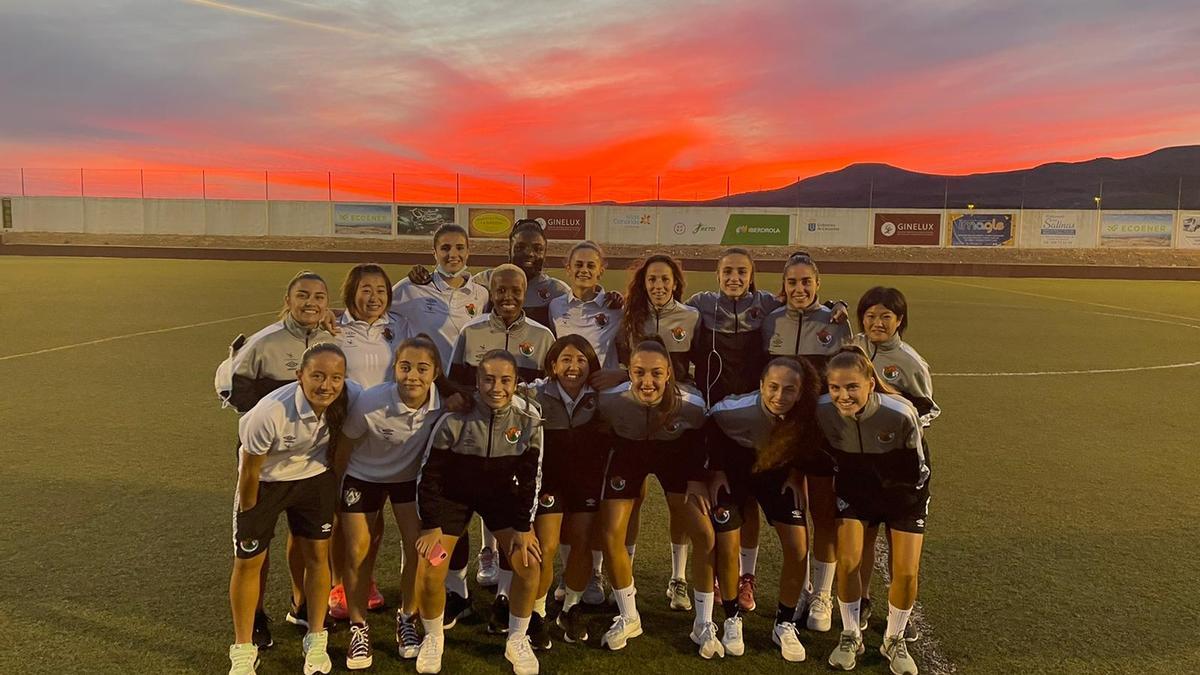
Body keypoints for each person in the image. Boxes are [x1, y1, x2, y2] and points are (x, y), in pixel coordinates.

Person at [223, 271, 338, 649]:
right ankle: (255, 616)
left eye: (319, 297)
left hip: (310, 464)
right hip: (268, 458)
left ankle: (301, 603)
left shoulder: (331, 337)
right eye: (303, 296)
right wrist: (274, 417)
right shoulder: (264, 342)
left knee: (305, 539)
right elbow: (232, 388)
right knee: (260, 544)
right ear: (287, 301)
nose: (311, 303)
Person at [412, 350, 545, 675]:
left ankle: (517, 638)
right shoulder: (455, 417)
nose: (496, 387)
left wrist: (524, 527)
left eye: (505, 380)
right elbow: (429, 475)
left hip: (500, 499)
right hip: (452, 501)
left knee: (528, 564)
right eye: (488, 379)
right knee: (431, 567)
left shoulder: (529, 417)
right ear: (477, 381)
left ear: (516, 382)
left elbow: (532, 475)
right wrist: (430, 526)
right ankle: (433, 639)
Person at [227, 343, 352, 675]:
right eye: (317, 376)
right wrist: (250, 514)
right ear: (300, 376)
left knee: (317, 556)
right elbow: (250, 471)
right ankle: (242, 648)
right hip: (265, 482)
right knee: (247, 561)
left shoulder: (344, 400)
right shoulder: (269, 413)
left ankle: (316, 637)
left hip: (314, 480)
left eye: (335, 377)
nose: (326, 385)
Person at [443, 263, 555, 630]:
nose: (508, 298)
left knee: (513, 517)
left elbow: (549, 390)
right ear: (491, 292)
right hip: (472, 444)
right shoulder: (471, 332)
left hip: (516, 444)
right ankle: (456, 595)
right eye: (500, 291)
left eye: (515, 291)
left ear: (526, 292)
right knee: (456, 519)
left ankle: (505, 598)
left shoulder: (541, 336)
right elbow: (455, 385)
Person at [593, 339, 718, 658]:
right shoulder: (608, 400)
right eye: (638, 372)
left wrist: (698, 476)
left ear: (669, 375)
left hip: (674, 456)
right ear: (628, 372)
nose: (647, 381)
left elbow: (706, 437)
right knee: (610, 534)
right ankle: (629, 615)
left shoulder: (691, 403)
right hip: (627, 453)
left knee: (704, 534)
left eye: (656, 373)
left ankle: (703, 623)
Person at [817, 346, 929, 675]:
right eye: (835, 387)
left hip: (903, 490)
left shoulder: (900, 412)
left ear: (870, 382)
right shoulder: (822, 410)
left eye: (852, 387)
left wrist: (898, 497)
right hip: (856, 488)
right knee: (849, 562)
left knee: (906, 571)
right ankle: (851, 634)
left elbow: (918, 467)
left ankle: (894, 639)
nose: (843, 395)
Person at [335, 336, 444, 669]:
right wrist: (332, 493)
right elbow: (343, 448)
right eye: (405, 367)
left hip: (407, 480)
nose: (412, 376)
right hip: (361, 476)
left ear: (435, 372)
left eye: (422, 368)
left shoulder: (442, 404)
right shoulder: (371, 401)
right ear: (394, 368)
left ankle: (407, 618)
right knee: (357, 550)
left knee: (418, 548)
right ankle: (358, 625)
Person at [706, 357, 823, 662]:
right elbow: (710, 423)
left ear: (800, 392)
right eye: (772, 387)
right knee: (728, 542)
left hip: (776, 476)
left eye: (789, 389)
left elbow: (807, 446)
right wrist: (717, 470)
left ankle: (784, 623)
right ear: (760, 386)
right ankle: (732, 617)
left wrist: (797, 475)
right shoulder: (733, 410)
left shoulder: (807, 415)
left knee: (798, 547)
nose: (779, 396)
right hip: (735, 473)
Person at [761, 252, 852, 632]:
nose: (799, 289)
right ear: (783, 287)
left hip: (823, 436)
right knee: (793, 513)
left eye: (806, 282)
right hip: (784, 433)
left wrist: (837, 307)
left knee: (823, 513)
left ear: (818, 284)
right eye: (792, 283)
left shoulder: (835, 323)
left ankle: (823, 594)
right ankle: (802, 587)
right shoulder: (771, 322)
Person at [686, 247, 780, 613]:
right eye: (728, 271)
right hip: (714, 417)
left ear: (752, 273)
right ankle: (709, 569)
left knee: (748, 500)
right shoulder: (701, 304)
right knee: (713, 492)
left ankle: (747, 576)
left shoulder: (768, 305)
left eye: (741, 271)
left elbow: (804, 306)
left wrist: (833, 305)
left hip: (754, 415)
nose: (734, 278)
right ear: (717, 273)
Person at [611, 254, 701, 611]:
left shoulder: (692, 317)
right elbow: (622, 365)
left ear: (676, 282)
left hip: (674, 424)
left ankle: (678, 578)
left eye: (665, 279)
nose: (658, 286)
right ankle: (624, 571)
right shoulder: (629, 318)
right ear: (642, 283)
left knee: (678, 506)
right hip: (635, 420)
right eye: (651, 280)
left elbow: (700, 363)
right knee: (632, 501)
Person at [327, 263, 413, 622]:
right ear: (351, 292)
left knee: (372, 521)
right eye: (366, 289)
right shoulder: (334, 329)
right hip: (344, 431)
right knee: (343, 515)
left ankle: (367, 578)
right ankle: (337, 584)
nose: (374, 296)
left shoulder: (399, 327)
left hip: (387, 434)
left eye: (380, 289)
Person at [853, 286, 939, 641]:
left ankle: (898, 617)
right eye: (871, 316)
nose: (877, 322)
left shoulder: (909, 361)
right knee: (863, 540)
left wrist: (890, 410)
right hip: (859, 460)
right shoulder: (854, 347)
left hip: (898, 465)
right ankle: (862, 601)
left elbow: (927, 410)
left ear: (899, 321)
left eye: (885, 316)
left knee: (899, 540)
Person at [546, 240, 623, 604]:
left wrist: (619, 375)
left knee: (592, 501)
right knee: (561, 495)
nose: (584, 270)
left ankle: (592, 574)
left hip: (599, 412)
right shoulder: (555, 304)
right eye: (578, 264)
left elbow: (634, 351)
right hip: (560, 408)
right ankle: (568, 572)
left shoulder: (616, 307)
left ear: (601, 269)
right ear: (568, 267)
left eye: (591, 264)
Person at [523, 335, 606, 647]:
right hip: (550, 481)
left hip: (585, 481)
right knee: (547, 545)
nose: (574, 367)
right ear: (553, 365)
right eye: (566, 360)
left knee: (583, 541)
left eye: (581, 360)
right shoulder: (534, 395)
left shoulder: (601, 396)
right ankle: (537, 613)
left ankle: (571, 607)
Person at [390, 224, 490, 368]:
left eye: (460, 248)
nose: (453, 254)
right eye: (445, 248)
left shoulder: (481, 294)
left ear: (468, 252)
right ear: (435, 253)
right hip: (425, 383)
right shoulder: (411, 288)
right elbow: (375, 311)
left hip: (464, 383)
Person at [473, 218, 571, 327]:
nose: (529, 253)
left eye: (537, 249)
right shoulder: (484, 281)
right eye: (520, 247)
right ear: (510, 250)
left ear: (545, 253)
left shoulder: (558, 291)